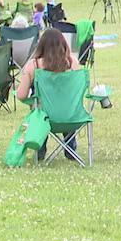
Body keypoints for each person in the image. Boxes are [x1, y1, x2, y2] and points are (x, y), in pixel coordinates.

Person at [16, 28, 81, 160]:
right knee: (64, 104)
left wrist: (32, 102)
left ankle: (40, 149)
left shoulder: (33, 66)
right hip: (70, 115)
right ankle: (70, 148)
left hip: (43, 117)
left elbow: (21, 95)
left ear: (41, 45)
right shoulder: (72, 63)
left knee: (40, 109)